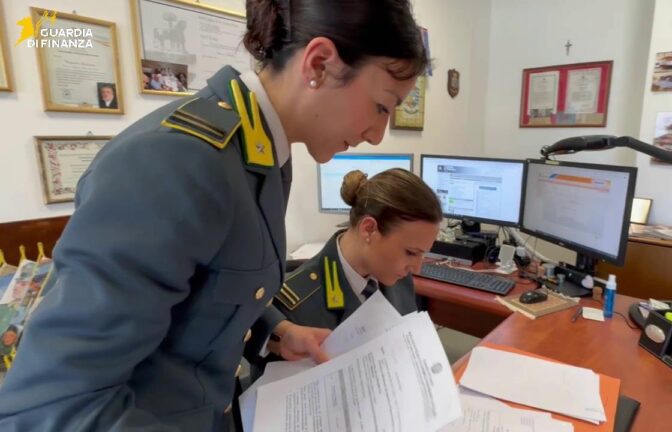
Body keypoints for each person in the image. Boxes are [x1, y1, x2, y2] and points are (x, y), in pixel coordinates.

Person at [0, 0, 427, 430]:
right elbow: (54, 407)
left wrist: (277, 332)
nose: (377, 136)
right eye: (381, 106)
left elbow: (216, 281)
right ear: (318, 63)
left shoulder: (259, 151)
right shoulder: (176, 162)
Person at [246, 168, 442, 378]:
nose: (417, 267)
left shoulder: (398, 278)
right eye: (411, 252)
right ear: (368, 229)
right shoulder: (293, 305)